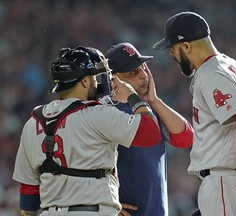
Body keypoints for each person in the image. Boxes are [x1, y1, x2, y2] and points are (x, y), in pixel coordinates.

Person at [153, 11, 236, 215]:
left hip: (225, 183)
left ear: (186, 46)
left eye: (173, 48)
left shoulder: (210, 73)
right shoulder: (232, 66)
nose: (171, 54)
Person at [12, 46, 163, 216]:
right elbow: (151, 133)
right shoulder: (97, 114)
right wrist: (132, 96)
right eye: (93, 78)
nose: (97, 82)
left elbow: (28, 190)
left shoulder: (32, 122)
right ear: (84, 81)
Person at [106, 42, 193, 216]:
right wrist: (106, 202)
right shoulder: (105, 111)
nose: (143, 76)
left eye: (143, 68)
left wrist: (154, 100)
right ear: (114, 79)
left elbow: (186, 138)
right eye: (132, 72)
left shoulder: (148, 109)